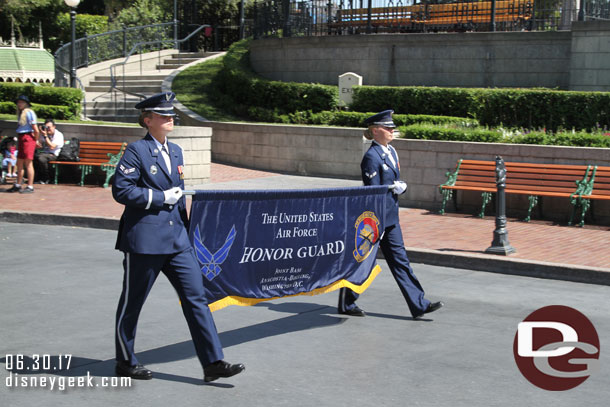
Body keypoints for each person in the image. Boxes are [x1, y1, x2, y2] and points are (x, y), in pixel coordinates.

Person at [112, 92, 244, 382]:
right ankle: (125, 360)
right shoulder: (136, 151)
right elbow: (121, 190)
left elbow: (179, 196)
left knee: (197, 299)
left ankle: (213, 361)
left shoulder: (176, 151)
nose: (170, 118)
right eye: (162, 115)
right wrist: (159, 197)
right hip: (145, 240)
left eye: (171, 114)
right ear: (147, 121)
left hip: (177, 240)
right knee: (133, 302)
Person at [338, 110, 444, 319]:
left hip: (391, 218)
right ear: (375, 131)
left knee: (400, 261)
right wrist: (390, 188)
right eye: (387, 128)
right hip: (375, 220)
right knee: (363, 262)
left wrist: (399, 187)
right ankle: (346, 302)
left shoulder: (391, 152)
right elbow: (372, 191)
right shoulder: (371, 157)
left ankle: (419, 304)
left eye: (392, 127)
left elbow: (392, 180)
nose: (392, 130)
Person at [5, 95, 39, 193]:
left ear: (26, 104)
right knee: (19, 162)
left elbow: (35, 129)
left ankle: (30, 186)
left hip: (28, 137)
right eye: (18, 102)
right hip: (21, 136)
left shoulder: (29, 113)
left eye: (22, 102)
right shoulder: (21, 114)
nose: (19, 104)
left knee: (28, 163)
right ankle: (18, 184)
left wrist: (36, 140)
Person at [34, 119, 64, 184]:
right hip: (44, 153)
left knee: (41, 158)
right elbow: (38, 144)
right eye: (46, 127)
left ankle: (46, 178)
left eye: (49, 127)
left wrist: (45, 136)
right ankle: (36, 177)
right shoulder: (44, 134)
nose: (48, 129)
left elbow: (52, 146)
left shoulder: (58, 135)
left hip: (54, 154)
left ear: (54, 127)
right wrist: (39, 134)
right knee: (33, 156)